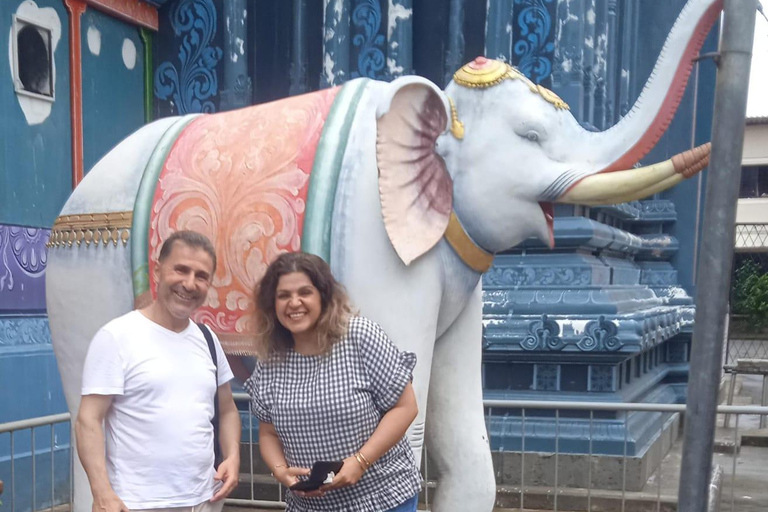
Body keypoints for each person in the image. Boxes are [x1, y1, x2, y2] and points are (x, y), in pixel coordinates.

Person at [76, 231, 241, 512]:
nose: (189, 284)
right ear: (158, 270)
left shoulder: (207, 338)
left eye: (201, 276)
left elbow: (227, 409)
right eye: (181, 270)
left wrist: (234, 455)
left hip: (204, 499)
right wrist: (102, 493)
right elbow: (88, 419)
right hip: (138, 503)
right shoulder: (117, 336)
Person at [244, 252, 422, 512]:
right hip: (312, 506)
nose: (294, 303)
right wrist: (280, 471)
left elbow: (405, 407)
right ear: (272, 304)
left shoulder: (360, 336)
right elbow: (268, 432)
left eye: (305, 292)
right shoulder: (270, 360)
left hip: (382, 497)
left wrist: (360, 461)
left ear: (324, 296)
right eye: (283, 295)